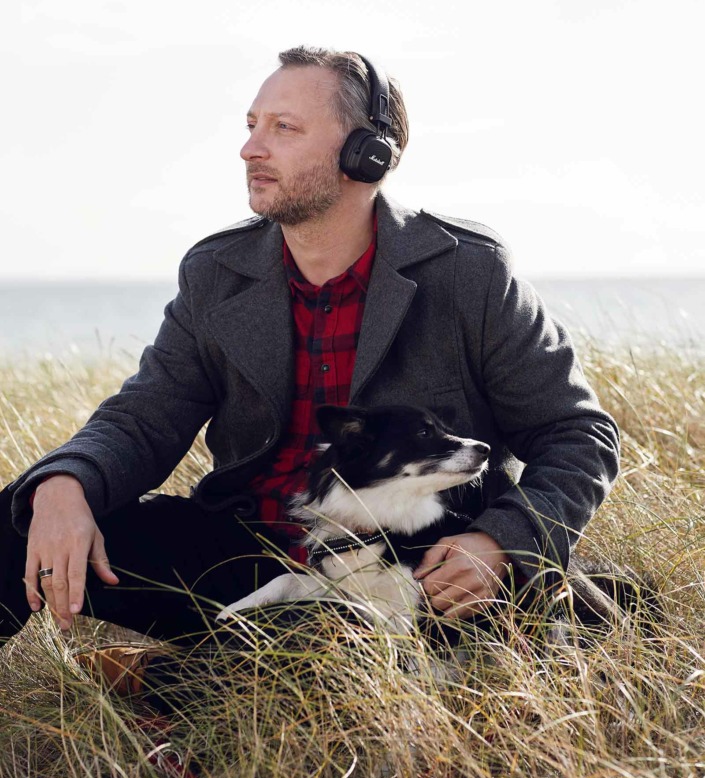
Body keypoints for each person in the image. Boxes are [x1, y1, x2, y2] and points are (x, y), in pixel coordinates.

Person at [0, 46, 620, 672]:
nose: (250, 149)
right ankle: (203, 674)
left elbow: (577, 435)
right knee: (17, 516)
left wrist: (499, 541)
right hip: (246, 557)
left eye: (284, 128)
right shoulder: (216, 274)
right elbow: (144, 418)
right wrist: (65, 484)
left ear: (366, 153)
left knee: (339, 652)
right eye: (251, 126)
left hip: (409, 571)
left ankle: (177, 680)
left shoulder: (471, 272)